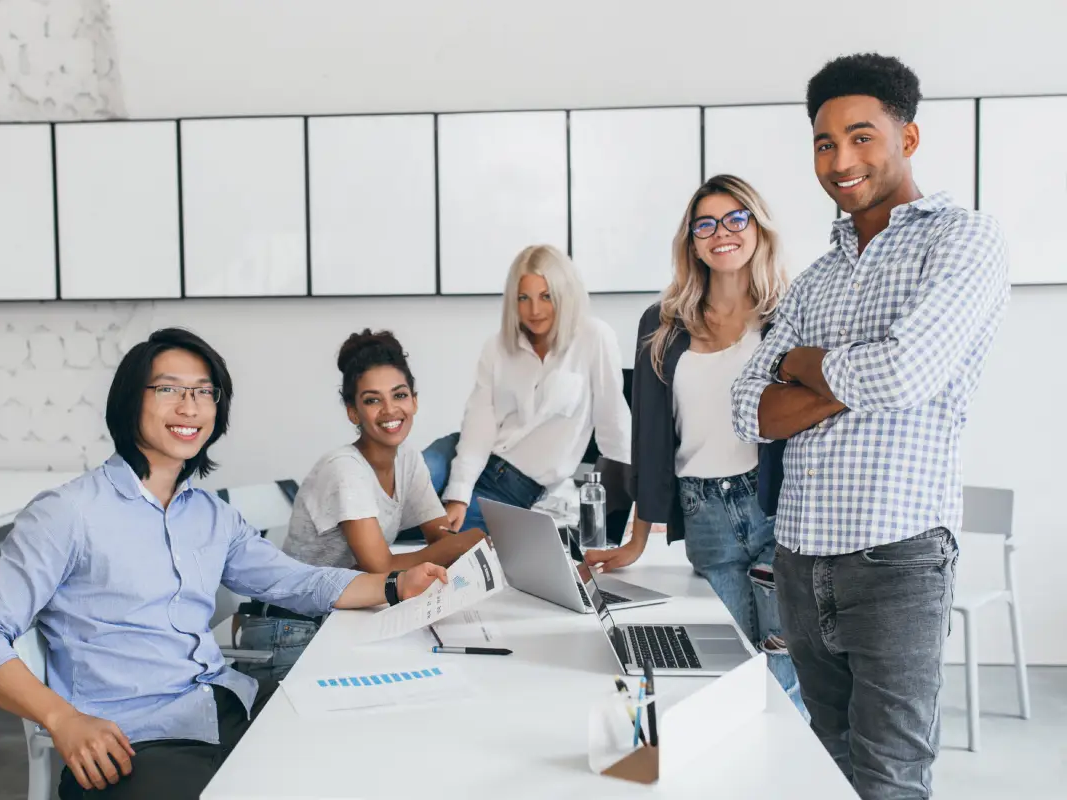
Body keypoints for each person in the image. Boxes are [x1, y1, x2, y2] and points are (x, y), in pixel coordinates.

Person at [0, 328, 448, 800]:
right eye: (169, 389)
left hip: (225, 707)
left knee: (375, 752)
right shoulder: (69, 513)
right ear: (130, 401)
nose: (190, 406)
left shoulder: (209, 515)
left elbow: (296, 582)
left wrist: (396, 585)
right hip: (132, 742)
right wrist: (62, 719)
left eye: (204, 392)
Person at [731, 53, 1009, 799]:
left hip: (897, 558)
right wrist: (854, 372)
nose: (841, 159)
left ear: (907, 138)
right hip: (799, 556)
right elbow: (750, 409)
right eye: (825, 143)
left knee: (889, 777)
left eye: (861, 137)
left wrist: (809, 365)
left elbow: (906, 372)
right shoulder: (816, 277)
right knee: (822, 764)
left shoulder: (962, 241)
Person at [583, 175, 803, 712]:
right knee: (731, 672)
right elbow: (652, 442)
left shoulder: (789, 313)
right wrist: (636, 539)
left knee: (783, 671)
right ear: (692, 240)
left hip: (778, 508)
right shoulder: (661, 324)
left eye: (736, 219)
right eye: (705, 223)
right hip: (704, 513)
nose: (721, 232)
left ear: (758, 227)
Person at [236, 330, 486, 683]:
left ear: (414, 400)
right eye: (372, 400)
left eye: (399, 395)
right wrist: (457, 544)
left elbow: (436, 534)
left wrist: (451, 541)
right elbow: (378, 566)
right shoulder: (344, 468)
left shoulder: (408, 460)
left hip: (348, 615)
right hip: (292, 629)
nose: (389, 410)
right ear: (353, 412)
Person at [424, 244, 632, 534]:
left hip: (513, 491)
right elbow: (479, 424)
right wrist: (458, 494)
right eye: (524, 298)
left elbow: (614, 426)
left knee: (432, 537)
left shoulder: (593, 337)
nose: (534, 310)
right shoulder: (497, 346)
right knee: (402, 481)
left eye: (546, 296)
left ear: (564, 293)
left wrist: (631, 511)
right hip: (467, 456)